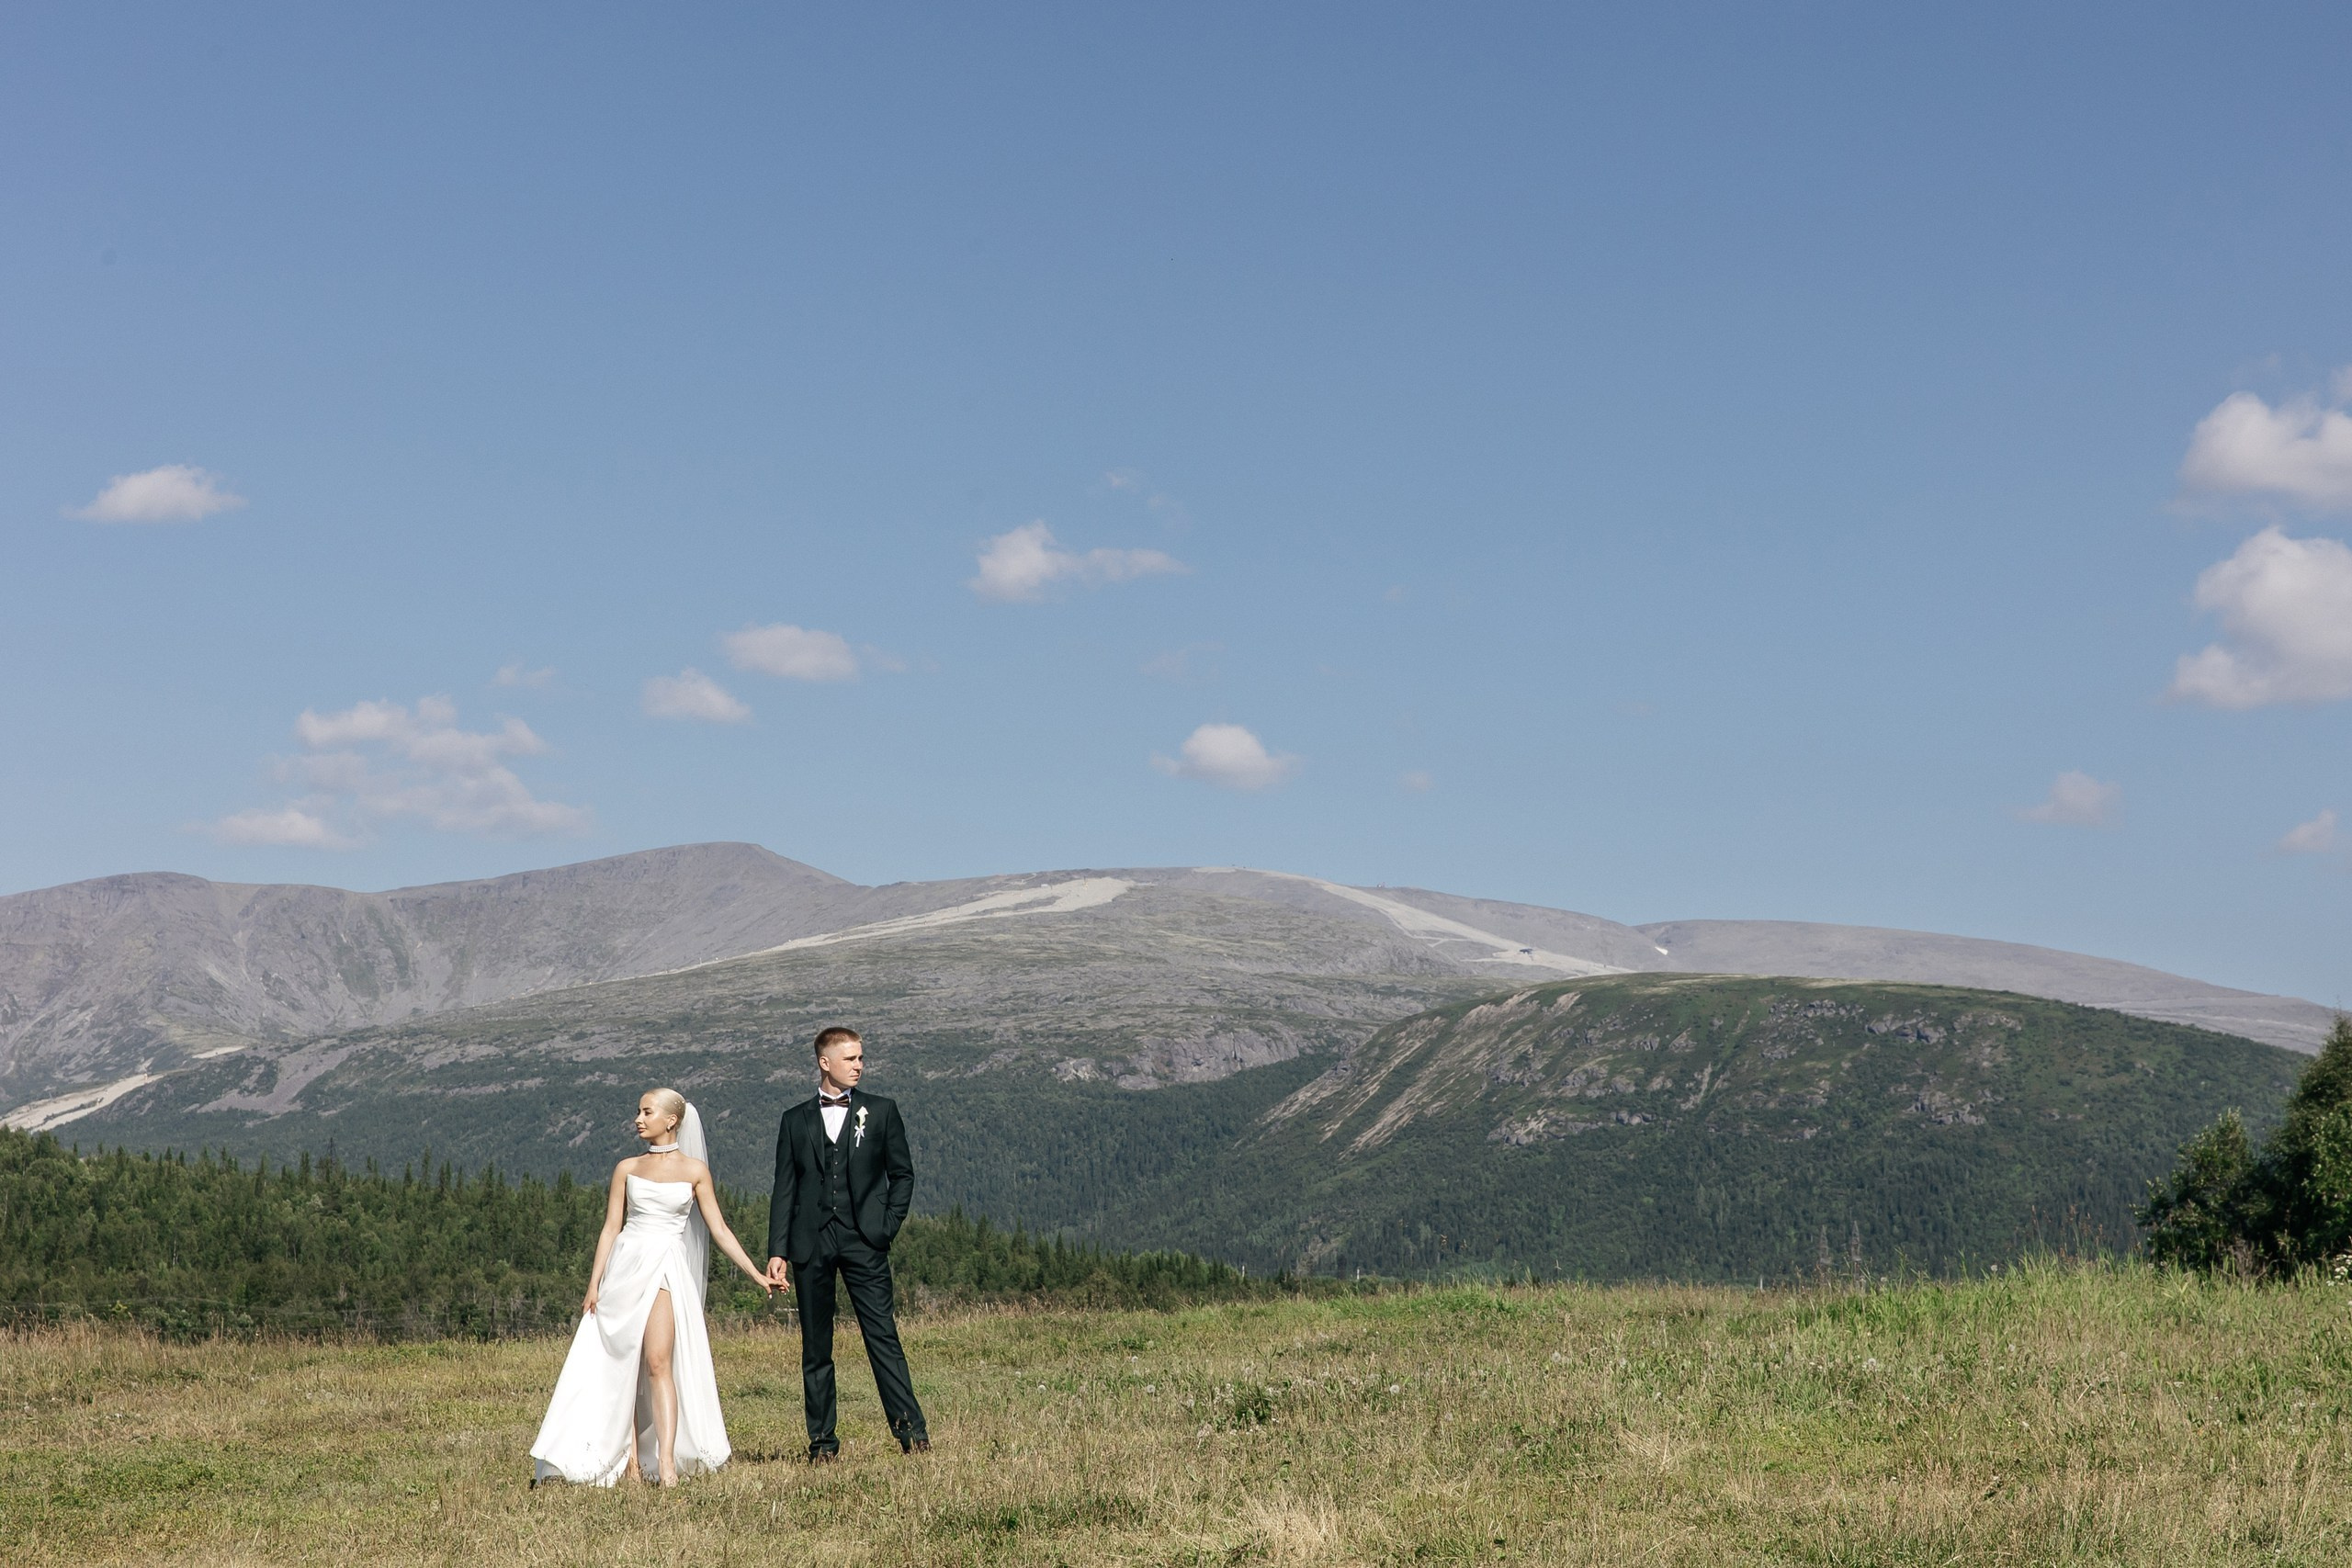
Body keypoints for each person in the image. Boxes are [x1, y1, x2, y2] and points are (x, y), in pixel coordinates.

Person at [529, 1089, 773, 1486]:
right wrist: (594, 1285)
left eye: (647, 1112)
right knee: (623, 1360)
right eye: (639, 1112)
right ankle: (628, 1465)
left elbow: (720, 1230)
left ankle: (666, 1463)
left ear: (671, 1120)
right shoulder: (627, 1167)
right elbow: (611, 1228)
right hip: (625, 1266)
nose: (638, 1119)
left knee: (659, 1362)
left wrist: (757, 1275)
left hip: (666, 1268)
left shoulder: (695, 1171)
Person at [766, 1025, 931, 1460]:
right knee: (816, 1347)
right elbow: (784, 1188)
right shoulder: (794, 1120)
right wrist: (777, 1251)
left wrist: (887, 1225)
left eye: (861, 1058)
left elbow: (903, 1175)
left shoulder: (881, 1111)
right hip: (810, 1243)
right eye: (850, 1058)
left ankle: (913, 1436)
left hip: (865, 1240)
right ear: (825, 1063)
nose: (859, 1065)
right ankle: (822, 1444)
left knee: (883, 1337)